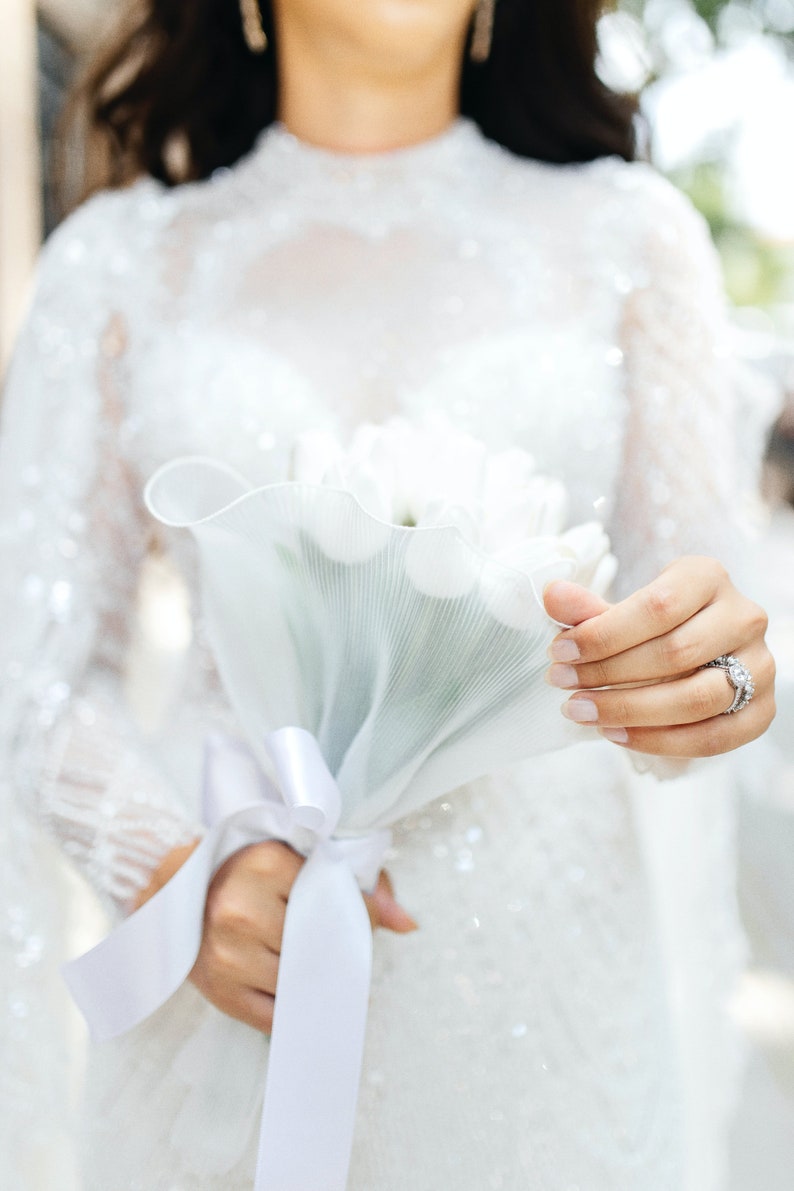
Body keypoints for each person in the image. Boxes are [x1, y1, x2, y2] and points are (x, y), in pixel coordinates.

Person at [0, 0, 776, 1188]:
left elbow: (700, 606)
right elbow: (38, 671)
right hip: (222, 983)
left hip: (545, 996)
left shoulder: (629, 236)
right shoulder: (119, 262)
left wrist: (703, 681)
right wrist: (172, 871)